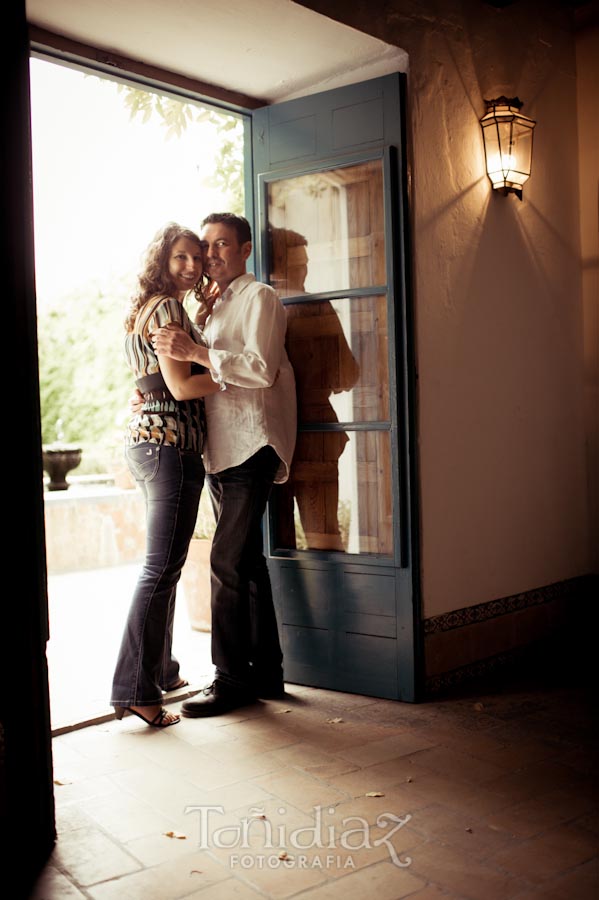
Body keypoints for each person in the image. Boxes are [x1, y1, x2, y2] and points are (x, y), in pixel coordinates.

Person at [151, 212, 297, 717]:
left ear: (245, 249)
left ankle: (231, 680)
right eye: (205, 246)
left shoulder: (261, 298)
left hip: (253, 444)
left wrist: (195, 349)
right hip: (222, 449)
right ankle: (269, 674)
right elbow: (190, 380)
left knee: (225, 561)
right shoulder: (213, 308)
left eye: (220, 245)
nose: (210, 255)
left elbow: (260, 369)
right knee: (248, 564)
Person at [111, 222, 221, 728]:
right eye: (180, 257)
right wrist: (235, 374)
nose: (191, 266)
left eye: (196, 258)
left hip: (152, 444)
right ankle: (137, 690)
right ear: (162, 259)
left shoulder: (145, 307)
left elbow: (151, 383)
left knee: (167, 567)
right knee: (160, 568)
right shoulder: (167, 307)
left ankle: (163, 670)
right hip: (169, 446)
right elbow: (180, 389)